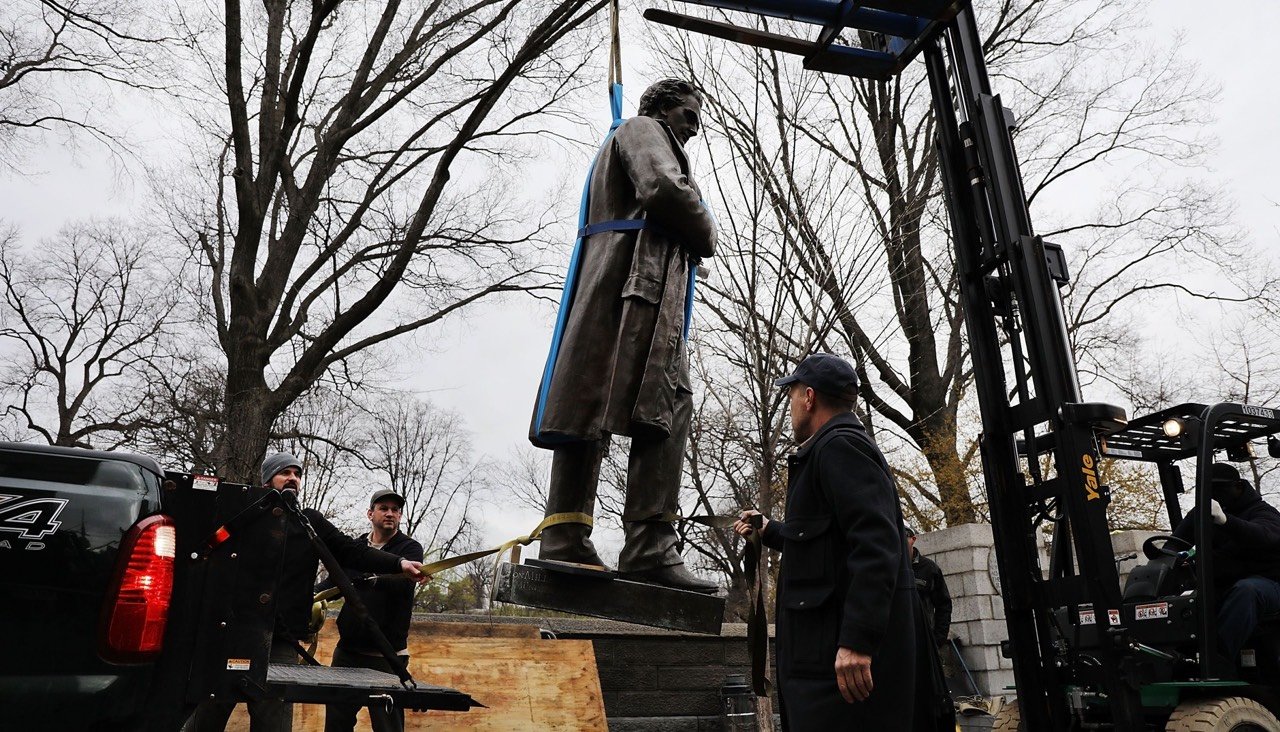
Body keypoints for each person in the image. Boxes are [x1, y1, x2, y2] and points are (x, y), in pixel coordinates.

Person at [529, 78, 717, 593]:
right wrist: (705, 230)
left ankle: (565, 537)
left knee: (587, 398)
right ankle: (649, 547)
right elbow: (664, 191)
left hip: (622, 286)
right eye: (688, 114)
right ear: (661, 108)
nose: (693, 127)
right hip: (635, 291)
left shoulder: (631, 135)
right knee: (668, 401)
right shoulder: (642, 128)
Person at [733, 353, 917, 730]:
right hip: (822, 670)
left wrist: (858, 640)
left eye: (792, 395)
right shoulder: (828, 450)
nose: (790, 405)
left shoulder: (840, 447)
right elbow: (821, 544)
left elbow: (877, 545)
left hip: (839, 677)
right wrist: (767, 528)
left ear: (809, 397)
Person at [183, 453, 430, 732]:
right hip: (234, 632)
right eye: (284, 473)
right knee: (210, 709)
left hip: (281, 640)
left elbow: (351, 551)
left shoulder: (310, 521)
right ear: (267, 482)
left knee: (273, 719)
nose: (292, 478)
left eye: (297, 474)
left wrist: (399, 563)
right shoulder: (244, 516)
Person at [321, 488, 424, 732]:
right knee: (336, 724)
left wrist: (368, 579)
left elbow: (402, 583)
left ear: (400, 516)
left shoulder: (409, 549)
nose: (390, 513)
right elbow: (334, 582)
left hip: (387, 656)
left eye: (395, 510)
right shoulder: (355, 548)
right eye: (383, 508)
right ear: (370, 514)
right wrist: (312, 596)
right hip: (347, 653)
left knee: (388, 727)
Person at [1172, 462, 1280, 663]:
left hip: (1269, 584)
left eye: (1218, 489)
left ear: (1237, 487)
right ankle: (1177, 657)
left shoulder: (1262, 512)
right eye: (1208, 490)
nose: (1213, 495)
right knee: (1183, 597)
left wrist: (1225, 521)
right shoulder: (1202, 513)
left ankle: (1217, 661)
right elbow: (1173, 545)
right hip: (1222, 585)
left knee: (1247, 590)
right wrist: (1167, 559)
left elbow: (1266, 536)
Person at [906, 526, 952, 647]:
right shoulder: (887, 567)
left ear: (913, 539)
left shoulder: (929, 568)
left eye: (904, 536)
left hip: (923, 643)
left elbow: (944, 605)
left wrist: (937, 640)